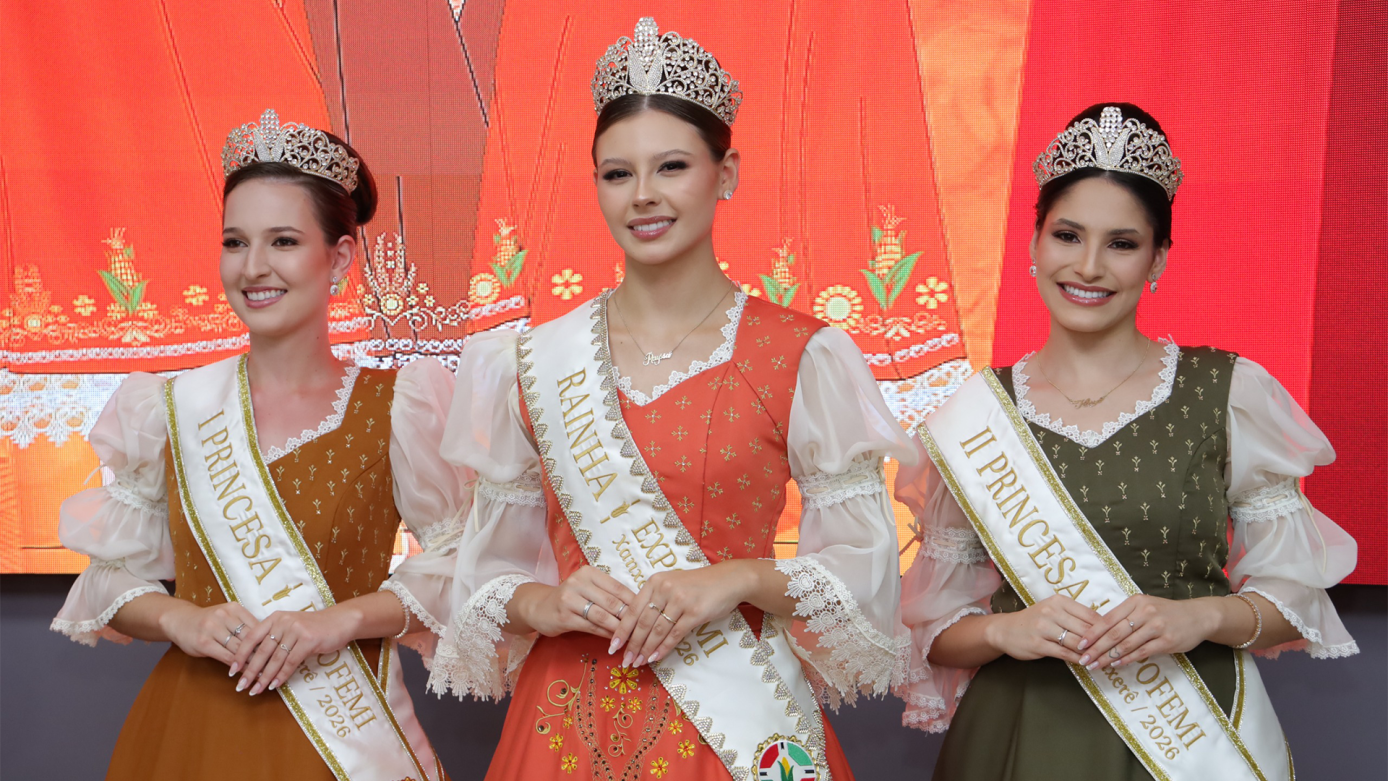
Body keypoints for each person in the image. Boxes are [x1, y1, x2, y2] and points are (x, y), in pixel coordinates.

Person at [428, 17, 914, 780]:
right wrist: (543, 602)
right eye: (617, 173)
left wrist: (740, 577)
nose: (643, 196)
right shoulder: (525, 362)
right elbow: (481, 578)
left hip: (736, 727)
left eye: (672, 167)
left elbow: (864, 571)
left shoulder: (800, 355)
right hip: (563, 726)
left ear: (726, 173)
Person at [894, 103, 1360, 781]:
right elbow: (933, 626)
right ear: (1033, 244)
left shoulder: (1227, 391)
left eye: (1121, 242)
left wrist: (1198, 616)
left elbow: (1295, 605)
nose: (1088, 266)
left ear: (1158, 257)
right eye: (1067, 235)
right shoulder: (973, 414)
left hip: (1191, 732)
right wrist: (1003, 629)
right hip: (1021, 729)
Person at [50, 109, 465, 781]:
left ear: (338, 257)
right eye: (235, 242)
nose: (253, 267)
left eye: (282, 241)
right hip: (194, 730)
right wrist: (184, 620)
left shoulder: (401, 404)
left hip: (345, 740)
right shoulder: (170, 407)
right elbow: (108, 580)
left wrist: (340, 620)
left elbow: (459, 567)